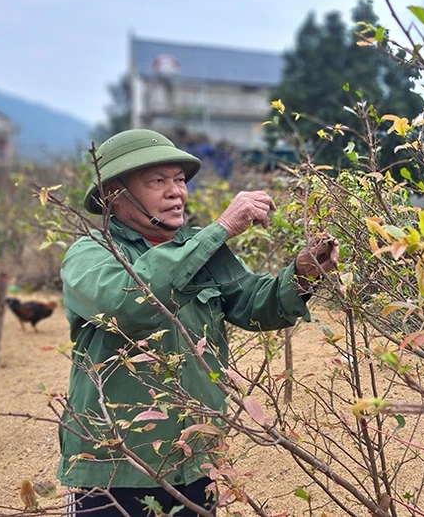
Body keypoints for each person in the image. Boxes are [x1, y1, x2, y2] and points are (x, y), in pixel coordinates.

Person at [58, 129, 338, 516]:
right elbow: (129, 304)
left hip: (194, 458)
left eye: (179, 180)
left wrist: (302, 274)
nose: (176, 192)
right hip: (115, 466)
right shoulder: (91, 253)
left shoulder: (199, 250)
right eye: (157, 181)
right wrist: (220, 228)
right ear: (113, 195)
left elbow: (255, 304)